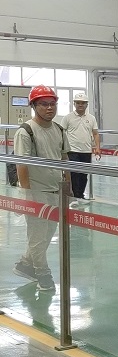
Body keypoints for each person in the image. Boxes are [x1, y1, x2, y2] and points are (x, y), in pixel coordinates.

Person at [12, 85, 69, 292]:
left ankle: (25, 263)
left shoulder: (59, 130)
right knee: (37, 235)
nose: (49, 108)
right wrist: (27, 194)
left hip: (55, 190)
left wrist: (68, 187)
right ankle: (43, 274)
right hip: (36, 191)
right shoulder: (25, 131)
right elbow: (22, 165)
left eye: (52, 104)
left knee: (47, 234)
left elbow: (64, 158)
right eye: (43, 104)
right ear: (34, 106)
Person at [62, 91, 100, 205]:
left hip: (86, 151)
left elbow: (95, 133)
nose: (80, 105)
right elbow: (62, 132)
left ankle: (81, 195)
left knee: (84, 175)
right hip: (72, 150)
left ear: (86, 104)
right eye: (78, 103)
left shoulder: (91, 118)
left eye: (83, 103)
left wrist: (97, 147)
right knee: (74, 174)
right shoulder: (68, 118)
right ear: (74, 104)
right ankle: (75, 196)